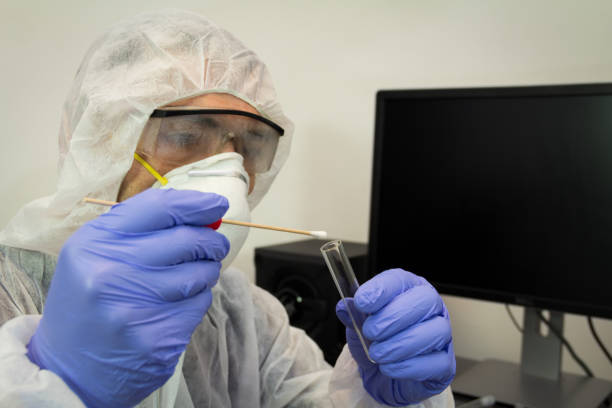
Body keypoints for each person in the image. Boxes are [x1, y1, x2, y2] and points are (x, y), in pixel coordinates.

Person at [0, 10, 455, 408]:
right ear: (100, 138)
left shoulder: (244, 317)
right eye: (186, 135)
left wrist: (379, 398)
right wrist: (55, 382)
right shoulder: (9, 291)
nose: (229, 170)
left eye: (250, 145)